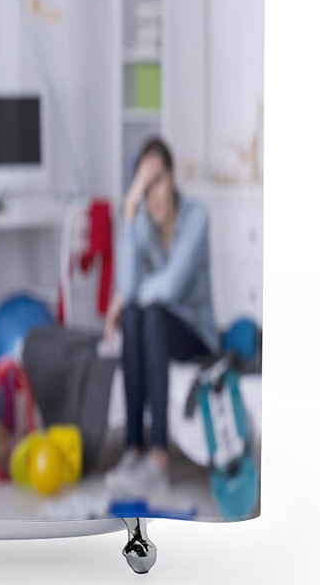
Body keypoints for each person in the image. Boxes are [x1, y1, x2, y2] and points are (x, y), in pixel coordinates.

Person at [103, 137, 219, 499]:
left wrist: (126, 298)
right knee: (138, 314)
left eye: (158, 181)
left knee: (146, 310)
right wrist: (128, 210)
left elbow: (167, 287)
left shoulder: (196, 217)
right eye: (143, 185)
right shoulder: (143, 226)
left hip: (197, 335)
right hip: (158, 326)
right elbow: (127, 284)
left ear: (172, 178)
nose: (152, 194)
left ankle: (158, 457)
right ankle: (133, 450)